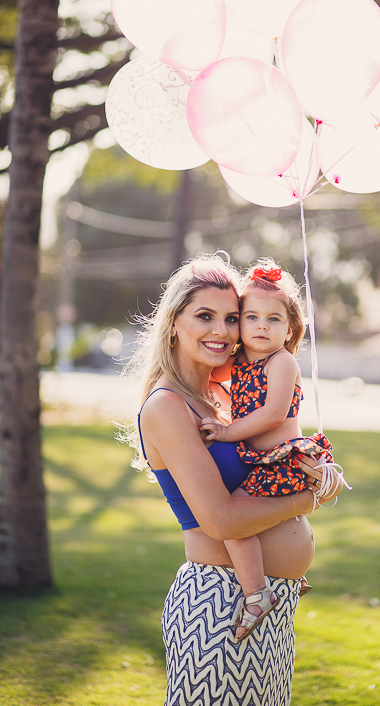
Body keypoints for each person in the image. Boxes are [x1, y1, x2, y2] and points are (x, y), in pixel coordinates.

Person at [121, 254, 342, 706]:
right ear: (174, 323)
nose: (222, 331)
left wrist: (317, 472)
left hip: (268, 606)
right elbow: (221, 521)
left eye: (231, 317)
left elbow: (267, 458)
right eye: (205, 316)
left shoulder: (219, 401)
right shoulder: (167, 406)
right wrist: (307, 500)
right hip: (221, 605)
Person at [200, 260, 346, 640]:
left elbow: (272, 414)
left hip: (282, 459)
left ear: (290, 328)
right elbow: (204, 374)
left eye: (273, 319)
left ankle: (256, 594)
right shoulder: (239, 361)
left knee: (232, 520)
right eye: (251, 317)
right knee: (251, 517)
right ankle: (288, 575)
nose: (261, 326)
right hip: (259, 463)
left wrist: (226, 432)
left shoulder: (282, 362)